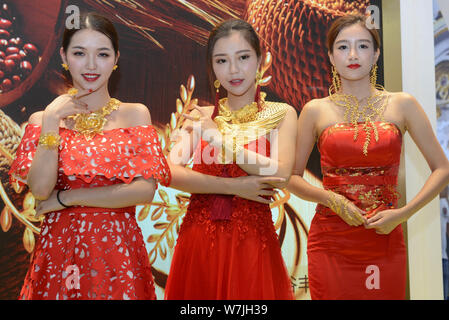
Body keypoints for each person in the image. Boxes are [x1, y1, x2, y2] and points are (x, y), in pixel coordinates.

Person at [8, 12, 171, 300]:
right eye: (80, 53)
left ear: (116, 58)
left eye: (103, 54)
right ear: (64, 56)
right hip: (59, 253)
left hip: (117, 255)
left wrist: (68, 198)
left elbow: (144, 191)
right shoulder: (42, 119)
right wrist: (51, 120)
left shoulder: (135, 114)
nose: (92, 65)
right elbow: (42, 189)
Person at [287, 14, 449, 300]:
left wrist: (403, 214)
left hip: (384, 236)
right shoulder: (314, 110)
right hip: (331, 239)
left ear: (376, 54)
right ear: (330, 57)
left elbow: (442, 169)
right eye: (342, 47)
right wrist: (330, 199)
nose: (352, 55)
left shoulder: (403, 105)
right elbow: (291, 177)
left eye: (362, 46)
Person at [164, 18, 297, 299]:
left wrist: (218, 139)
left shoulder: (281, 114)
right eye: (222, 61)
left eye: (243, 57)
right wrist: (235, 187)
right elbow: (168, 172)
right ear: (212, 67)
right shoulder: (201, 114)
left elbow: (281, 174)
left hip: (252, 245)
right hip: (198, 243)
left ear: (260, 60)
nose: (233, 70)